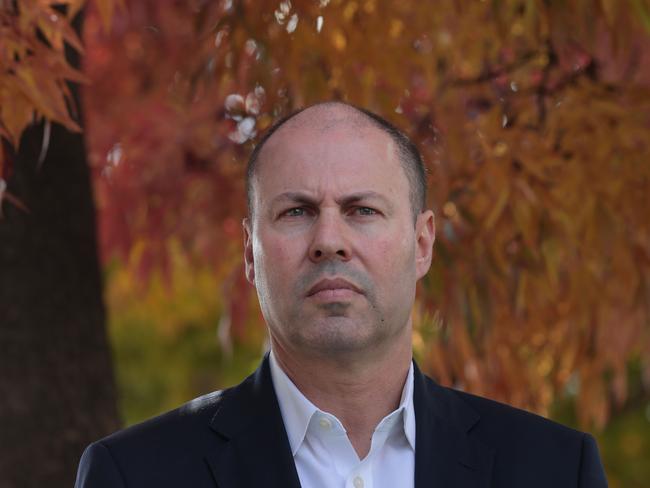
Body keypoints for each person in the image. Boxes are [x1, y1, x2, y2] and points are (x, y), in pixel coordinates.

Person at [75, 101, 608, 487]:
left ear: (422, 244)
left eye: (363, 210)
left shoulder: (556, 469)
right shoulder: (135, 474)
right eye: (297, 212)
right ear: (249, 252)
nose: (329, 241)